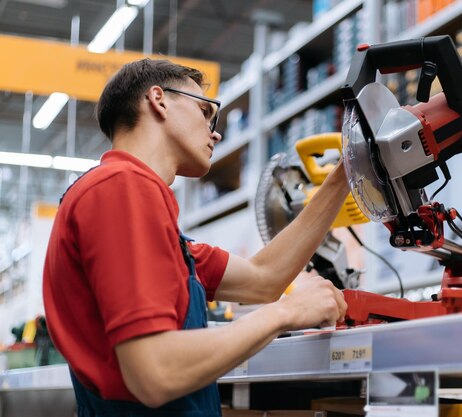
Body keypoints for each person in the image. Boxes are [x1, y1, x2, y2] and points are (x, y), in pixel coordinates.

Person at [42, 58, 348, 416]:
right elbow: (155, 372)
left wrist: (346, 174)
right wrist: (286, 313)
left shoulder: (137, 209)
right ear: (159, 100)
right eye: (205, 112)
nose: (214, 131)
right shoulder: (121, 188)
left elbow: (263, 280)